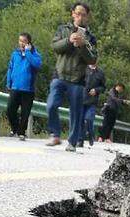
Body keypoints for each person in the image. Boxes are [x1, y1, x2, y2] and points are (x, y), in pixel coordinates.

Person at [45, 2, 98, 152]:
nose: (80, 17)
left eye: (83, 14)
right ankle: (55, 134)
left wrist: (82, 46)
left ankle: (72, 143)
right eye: (78, 13)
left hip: (77, 80)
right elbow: (55, 47)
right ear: (73, 14)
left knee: (76, 113)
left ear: (87, 17)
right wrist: (69, 40)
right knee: (51, 105)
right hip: (59, 75)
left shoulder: (91, 38)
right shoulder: (63, 29)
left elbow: (93, 59)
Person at [6, 32, 42, 141]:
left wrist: (28, 52)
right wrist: (8, 82)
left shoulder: (35, 54)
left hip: (28, 89)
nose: (21, 43)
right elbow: (10, 68)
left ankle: (22, 132)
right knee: (10, 110)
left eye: (24, 41)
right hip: (15, 87)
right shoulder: (15, 54)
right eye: (20, 41)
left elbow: (37, 65)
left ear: (28, 43)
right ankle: (15, 128)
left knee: (25, 113)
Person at [78, 61, 105, 147]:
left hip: (92, 101)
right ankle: (80, 140)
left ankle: (91, 134)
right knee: (80, 120)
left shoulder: (100, 72)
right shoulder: (83, 68)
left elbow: (103, 87)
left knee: (89, 119)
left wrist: (96, 90)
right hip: (81, 99)